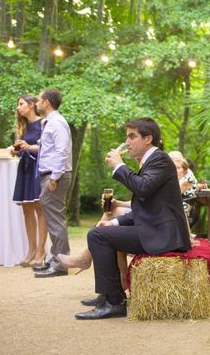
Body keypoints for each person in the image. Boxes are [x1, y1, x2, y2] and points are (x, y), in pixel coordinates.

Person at [75, 118, 191, 319]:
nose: (127, 142)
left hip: (164, 235)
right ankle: (109, 297)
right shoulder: (152, 161)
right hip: (155, 229)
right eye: (127, 137)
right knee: (101, 232)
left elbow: (142, 188)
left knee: (97, 236)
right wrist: (113, 222)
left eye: (132, 136)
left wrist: (119, 166)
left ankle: (113, 302)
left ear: (148, 139)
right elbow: (145, 207)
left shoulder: (160, 160)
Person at [32, 89, 73, 278]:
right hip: (50, 175)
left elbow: (62, 151)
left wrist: (55, 177)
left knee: (56, 220)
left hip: (55, 176)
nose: (36, 104)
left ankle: (60, 263)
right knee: (53, 218)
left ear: (46, 102)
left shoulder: (56, 122)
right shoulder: (50, 123)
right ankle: (55, 257)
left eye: (38, 100)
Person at [10, 94, 48, 267]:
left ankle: (41, 250)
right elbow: (20, 148)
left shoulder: (43, 123)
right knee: (27, 209)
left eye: (21, 104)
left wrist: (29, 147)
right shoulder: (21, 127)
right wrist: (16, 150)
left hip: (38, 168)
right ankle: (31, 250)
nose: (18, 107)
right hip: (24, 168)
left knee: (40, 208)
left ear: (32, 104)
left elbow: (47, 147)